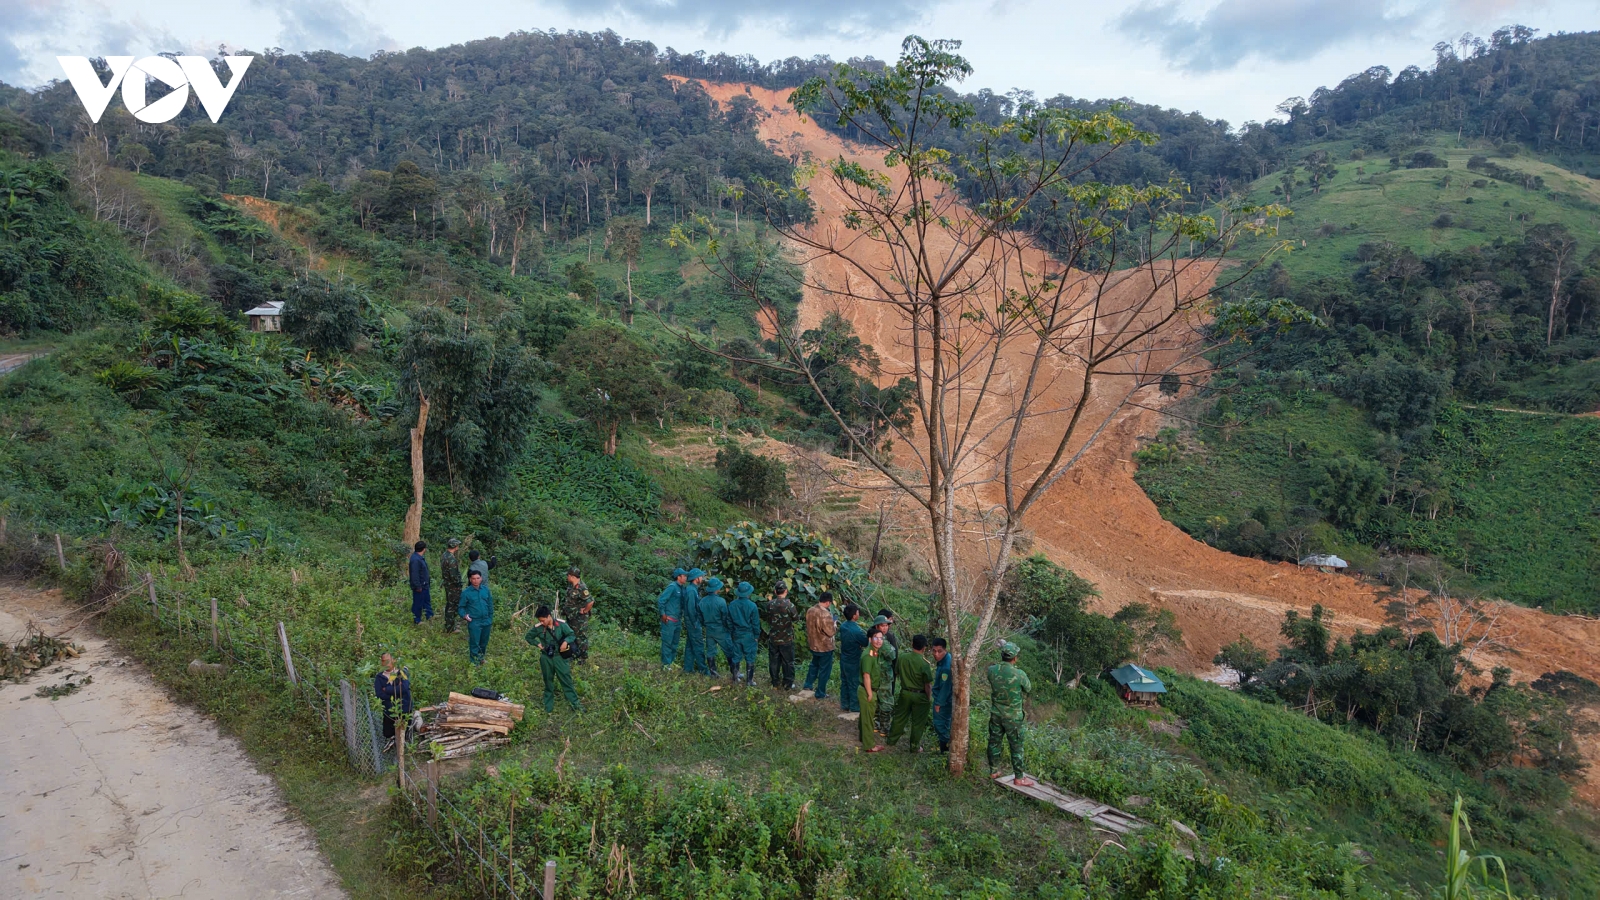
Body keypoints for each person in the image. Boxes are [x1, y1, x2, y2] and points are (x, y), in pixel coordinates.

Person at [987, 641, 1034, 786]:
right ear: (1015, 658)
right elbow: (1028, 688)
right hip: (1013, 717)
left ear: (1002, 655)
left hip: (996, 714)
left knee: (994, 742)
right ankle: (1019, 777)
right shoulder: (1019, 674)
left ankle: (993, 771)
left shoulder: (992, 670)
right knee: (1016, 746)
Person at [526, 605, 583, 712]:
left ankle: (576, 706)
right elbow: (528, 637)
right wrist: (538, 644)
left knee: (567, 681)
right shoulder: (538, 627)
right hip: (546, 658)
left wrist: (565, 642)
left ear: (548, 617)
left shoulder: (561, 624)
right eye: (540, 621)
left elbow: (571, 634)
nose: (542, 623)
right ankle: (548, 708)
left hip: (560, 658)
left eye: (543, 620)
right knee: (548, 682)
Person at [887, 634, 934, 752]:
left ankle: (891, 740)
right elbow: (927, 684)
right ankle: (914, 747)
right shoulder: (924, 664)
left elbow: (896, 673)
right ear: (924, 648)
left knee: (899, 718)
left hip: (905, 693)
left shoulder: (902, 657)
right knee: (918, 722)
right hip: (920, 695)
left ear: (912, 644)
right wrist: (929, 698)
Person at [802, 592, 837, 700]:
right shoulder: (825, 614)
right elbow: (831, 632)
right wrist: (834, 624)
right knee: (824, 670)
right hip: (824, 646)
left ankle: (808, 685)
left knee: (814, 665)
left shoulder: (810, 610)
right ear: (828, 602)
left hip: (813, 644)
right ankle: (820, 693)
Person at [765, 582, 799, 689]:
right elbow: (796, 619)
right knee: (788, 661)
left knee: (774, 661)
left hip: (773, 637)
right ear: (786, 591)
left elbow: (768, 618)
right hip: (786, 638)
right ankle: (788, 683)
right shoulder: (789, 605)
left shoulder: (770, 604)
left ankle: (775, 682)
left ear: (775, 592)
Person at [698, 577, 734, 678]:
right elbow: (725, 617)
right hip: (720, 629)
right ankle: (735, 672)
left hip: (709, 629)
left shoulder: (702, 601)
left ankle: (713, 673)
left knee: (710, 651)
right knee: (729, 650)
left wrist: (706, 624)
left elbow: (700, 617)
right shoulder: (721, 601)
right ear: (717, 589)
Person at [373, 653, 412, 745]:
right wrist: (395, 695)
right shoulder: (379, 677)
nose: (386, 663)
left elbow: (405, 688)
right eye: (383, 661)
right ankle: (393, 748)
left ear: (394, 660)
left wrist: (387, 689)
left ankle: (403, 751)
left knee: (404, 732)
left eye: (388, 660)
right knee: (388, 733)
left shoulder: (401, 673)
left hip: (404, 708)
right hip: (389, 710)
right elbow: (379, 694)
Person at [837, 604, 869, 714]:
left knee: (845, 681)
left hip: (844, 658)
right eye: (858, 612)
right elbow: (865, 642)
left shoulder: (843, 626)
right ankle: (854, 707)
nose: (858, 614)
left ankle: (845, 704)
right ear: (854, 616)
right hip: (853, 659)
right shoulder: (856, 630)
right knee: (854, 683)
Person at [728, 581, 761, 685]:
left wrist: (732, 632)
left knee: (736, 656)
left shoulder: (732, 605)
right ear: (748, 593)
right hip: (749, 635)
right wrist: (756, 635)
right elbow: (755, 623)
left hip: (736, 634)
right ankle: (749, 680)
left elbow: (729, 621)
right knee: (750, 657)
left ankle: (735, 678)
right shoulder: (752, 606)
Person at [859, 631, 888, 752]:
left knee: (865, 716)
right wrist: (870, 693)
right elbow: (866, 675)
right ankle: (869, 746)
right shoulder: (868, 655)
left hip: (870, 689)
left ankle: (863, 738)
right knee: (868, 719)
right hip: (867, 690)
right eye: (875, 637)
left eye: (881, 638)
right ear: (870, 639)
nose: (879, 640)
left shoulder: (875, 653)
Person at [458, 570, 494, 665]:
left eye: (478, 578)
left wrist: (490, 617)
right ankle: (474, 662)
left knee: (484, 642)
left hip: (486, 620)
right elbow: (461, 607)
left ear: (481, 578)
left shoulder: (485, 590)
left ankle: (481, 658)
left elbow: (490, 604)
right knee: (474, 642)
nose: (476, 580)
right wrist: (464, 615)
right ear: (470, 579)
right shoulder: (466, 593)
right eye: (473, 578)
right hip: (474, 621)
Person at [871, 614, 898, 734]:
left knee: (877, 700)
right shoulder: (883, 641)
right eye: (883, 625)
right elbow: (893, 655)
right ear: (877, 626)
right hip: (884, 676)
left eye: (887, 625)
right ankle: (885, 727)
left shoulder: (871, 638)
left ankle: (876, 724)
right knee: (886, 702)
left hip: (875, 675)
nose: (885, 628)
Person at [657, 568, 688, 669]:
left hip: (678, 620)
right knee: (667, 643)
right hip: (669, 620)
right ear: (679, 577)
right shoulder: (672, 587)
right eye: (684, 576)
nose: (686, 578)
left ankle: (670, 662)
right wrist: (663, 614)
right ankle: (666, 665)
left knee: (675, 643)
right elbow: (661, 600)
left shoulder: (683, 588)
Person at [564, 566, 595, 663]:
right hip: (571, 616)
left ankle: (583, 657)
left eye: (568, 575)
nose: (567, 577)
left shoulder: (582, 587)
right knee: (571, 635)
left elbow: (590, 602)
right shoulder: (571, 586)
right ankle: (574, 654)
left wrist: (585, 611)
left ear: (572, 576)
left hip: (579, 618)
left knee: (581, 637)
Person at [682, 568, 708, 675]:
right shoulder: (692, 591)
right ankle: (703, 670)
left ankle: (688, 669)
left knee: (690, 645)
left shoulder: (692, 589)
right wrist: (695, 623)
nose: (702, 578)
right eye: (701, 576)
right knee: (698, 645)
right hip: (693, 622)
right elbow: (691, 609)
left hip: (691, 621)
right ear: (696, 578)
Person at [930, 637, 953, 753]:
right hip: (944, 700)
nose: (936, 654)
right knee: (945, 725)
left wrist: (938, 704)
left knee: (941, 725)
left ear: (945, 650)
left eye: (939, 651)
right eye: (934, 651)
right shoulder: (944, 660)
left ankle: (945, 751)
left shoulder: (946, 667)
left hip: (944, 702)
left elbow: (945, 688)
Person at [440, 538, 463, 634]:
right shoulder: (451, 559)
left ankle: (449, 625)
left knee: (450, 604)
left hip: (447, 584)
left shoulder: (444, 555)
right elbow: (453, 575)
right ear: (455, 546)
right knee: (452, 606)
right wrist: (459, 584)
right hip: (453, 586)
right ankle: (450, 627)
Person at [408, 540, 432, 625]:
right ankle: (417, 620)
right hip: (420, 586)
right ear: (424, 549)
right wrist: (417, 586)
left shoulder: (418, 558)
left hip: (424, 584)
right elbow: (414, 574)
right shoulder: (415, 559)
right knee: (418, 603)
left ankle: (429, 615)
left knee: (426, 601)